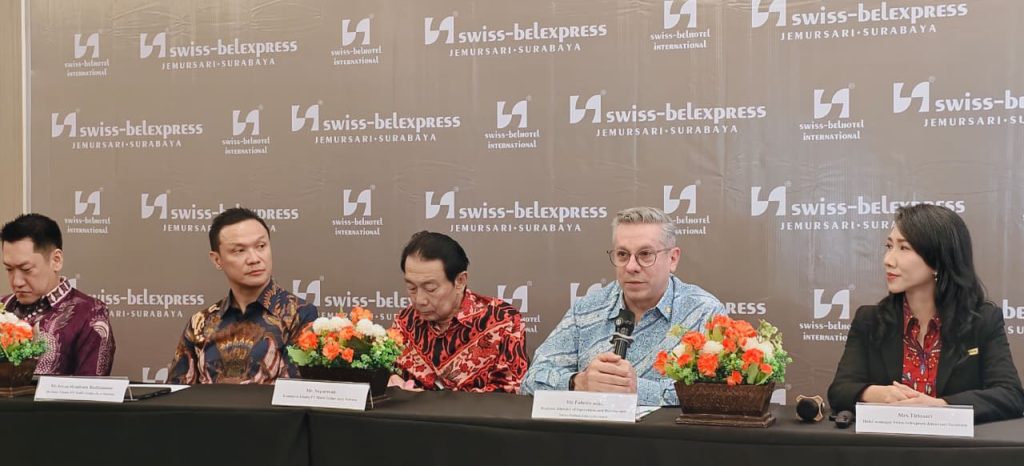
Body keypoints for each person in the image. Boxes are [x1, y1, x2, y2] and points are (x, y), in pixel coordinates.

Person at [828, 204, 1024, 423]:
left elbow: (1011, 395)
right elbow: (839, 391)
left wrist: (940, 406)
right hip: (887, 443)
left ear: (938, 260)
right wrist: (877, 394)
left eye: (904, 248)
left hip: (954, 444)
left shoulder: (982, 321)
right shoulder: (870, 320)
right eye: (889, 246)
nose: (888, 260)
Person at [522, 207, 725, 405]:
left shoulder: (703, 312)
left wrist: (638, 390)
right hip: (592, 427)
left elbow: (718, 392)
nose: (631, 266)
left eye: (645, 254)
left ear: (672, 259)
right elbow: (531, 380)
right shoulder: (586, 309)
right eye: (622, 254)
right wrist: (578, 382)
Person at [168, 208, 317, 384]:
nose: (254, 259)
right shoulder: (200, 323)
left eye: (261, 246)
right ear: (217, 260)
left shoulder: (299, 314)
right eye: (239, 250)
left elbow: (293, 393)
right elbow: (177, 392)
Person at [388, 231, 529, 392]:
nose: (419, 300)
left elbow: (510, 391)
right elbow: (386, 371)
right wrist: (391, 382)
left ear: (460, 281)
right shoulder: (405, 321)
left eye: (430, 288)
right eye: (411, 288)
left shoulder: (503, 320)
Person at [1, 213, 115, 376]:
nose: (16, 281)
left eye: (26, 269)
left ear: (56, 260)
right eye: (9, 269)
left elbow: (92, 388)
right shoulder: (3, 307)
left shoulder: (90, 314)